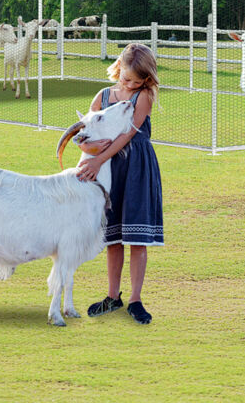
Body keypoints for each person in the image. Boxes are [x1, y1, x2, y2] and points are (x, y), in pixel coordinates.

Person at [76, 42, 163, 325]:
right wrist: (89, 156)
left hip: (137, 167)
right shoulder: (102, 96)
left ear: (146, 80)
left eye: (138, 81)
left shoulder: (144, 96)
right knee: (113, 237)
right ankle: (113, 296)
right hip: (110, 170)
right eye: (127, 78)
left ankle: (136, 300)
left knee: (137, 238)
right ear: (119, 67)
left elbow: (126, 135)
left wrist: (99, 159)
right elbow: (84, 135)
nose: (131, 84)